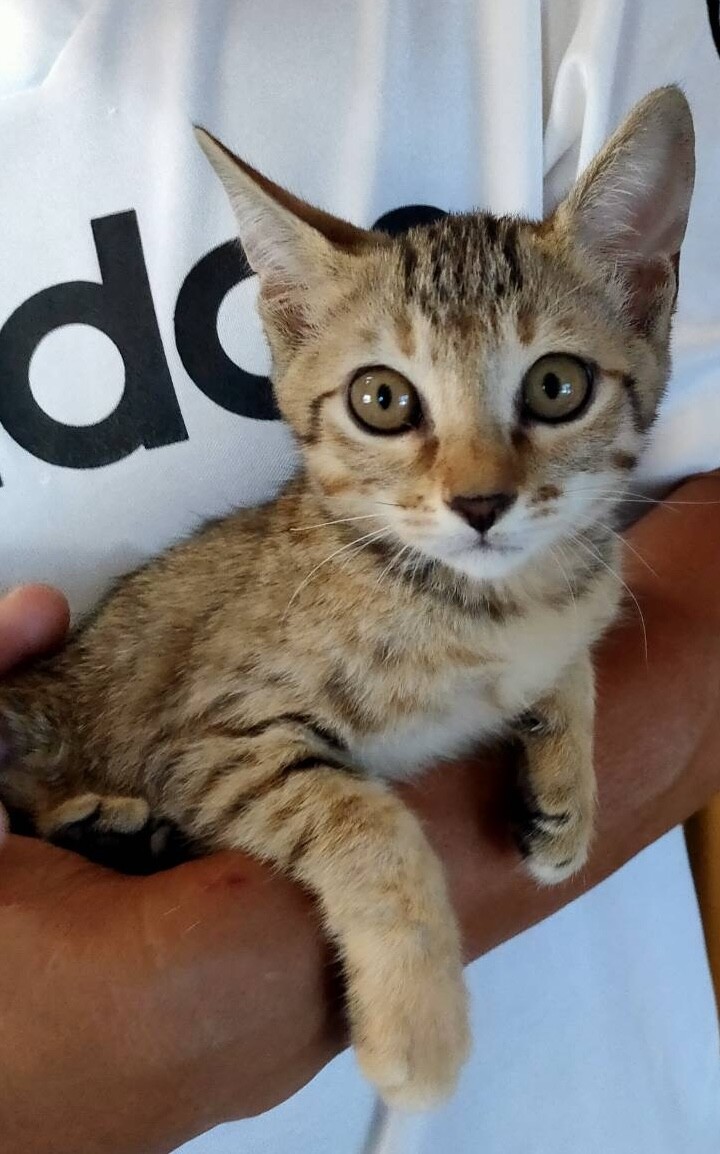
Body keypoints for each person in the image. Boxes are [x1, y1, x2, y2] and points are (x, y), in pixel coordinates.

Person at [0, 2, 719, 1152]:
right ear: (292, 321)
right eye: (391, 404)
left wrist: (217, 975)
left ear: (638, 295)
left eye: (552, 391)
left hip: (566, 1105)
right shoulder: (330, 588)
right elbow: (209, 746)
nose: (476, 482)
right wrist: (376, 865)